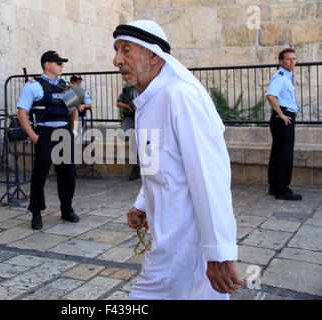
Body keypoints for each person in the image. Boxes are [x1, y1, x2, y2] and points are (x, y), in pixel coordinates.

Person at [113, 20, 243, 299]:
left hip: (190, 245)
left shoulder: (180, 96)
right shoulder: (147, 100)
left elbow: (209, 175)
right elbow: (157, 165)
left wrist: (219, 252)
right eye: (116, 51)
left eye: (126, 51)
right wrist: (142, 204)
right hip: (167, 242)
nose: (116, 60)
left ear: (153, 55)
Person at [17, 50, 80, 230]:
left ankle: (66, 209)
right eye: (58, 63)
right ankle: (36, 213)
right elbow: (22, 114)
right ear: (47, 65)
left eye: (62, 63)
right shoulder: (33, 86)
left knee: (68, 175)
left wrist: (73, 131)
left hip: (63, 134)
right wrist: (35, 137)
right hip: (44, 134)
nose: (62, 66)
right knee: (40, 175)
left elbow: (74, 110)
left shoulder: (65, 86)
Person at [266, 48, 302, 201]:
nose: (292, 61)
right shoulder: (280, 77)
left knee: (278, 153)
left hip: (282, 117)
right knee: (285, 155)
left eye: (294, 59)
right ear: (281, 61)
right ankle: (282, 189)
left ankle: (274, 187)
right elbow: (270, 95)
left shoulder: (286, 76)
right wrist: (281, 114)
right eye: (288, 59)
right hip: (284, 118)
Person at [116, 86, 140, 180]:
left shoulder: (147, 87)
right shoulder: (128, 90)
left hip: (143, 117)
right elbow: (118, 102)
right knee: (122, 134)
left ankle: (136, 168)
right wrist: (128, 107)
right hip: (130, 117)